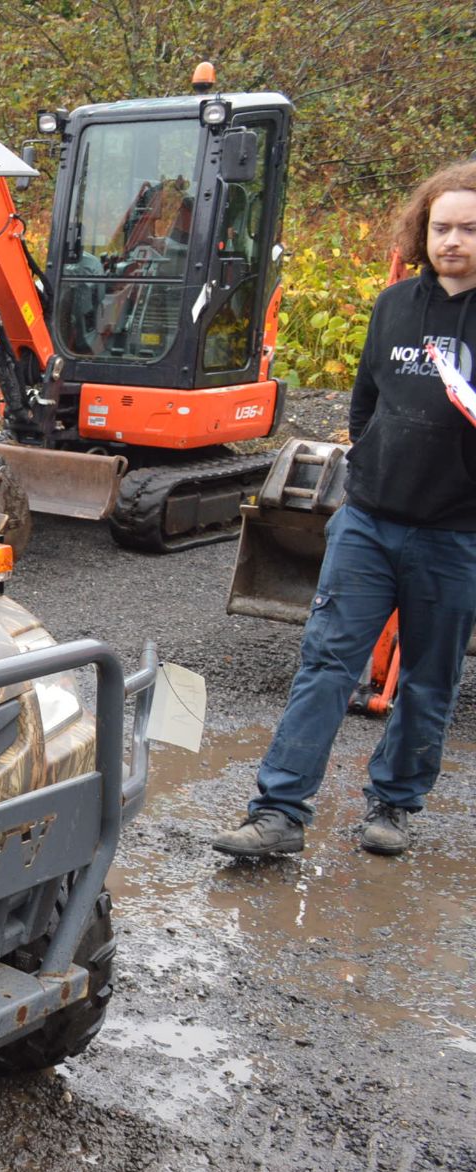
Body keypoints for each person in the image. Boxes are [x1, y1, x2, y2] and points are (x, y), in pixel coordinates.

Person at [214, 161, 476, 859]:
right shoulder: (395, 307)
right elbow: (364, 403)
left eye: (469, 229)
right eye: (442, 227)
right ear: (423, 230)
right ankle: (278, 813)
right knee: (326, 662)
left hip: (457, 536)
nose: (453, 241)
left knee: (428, 677)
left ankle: (393, 804)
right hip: (368, 522)